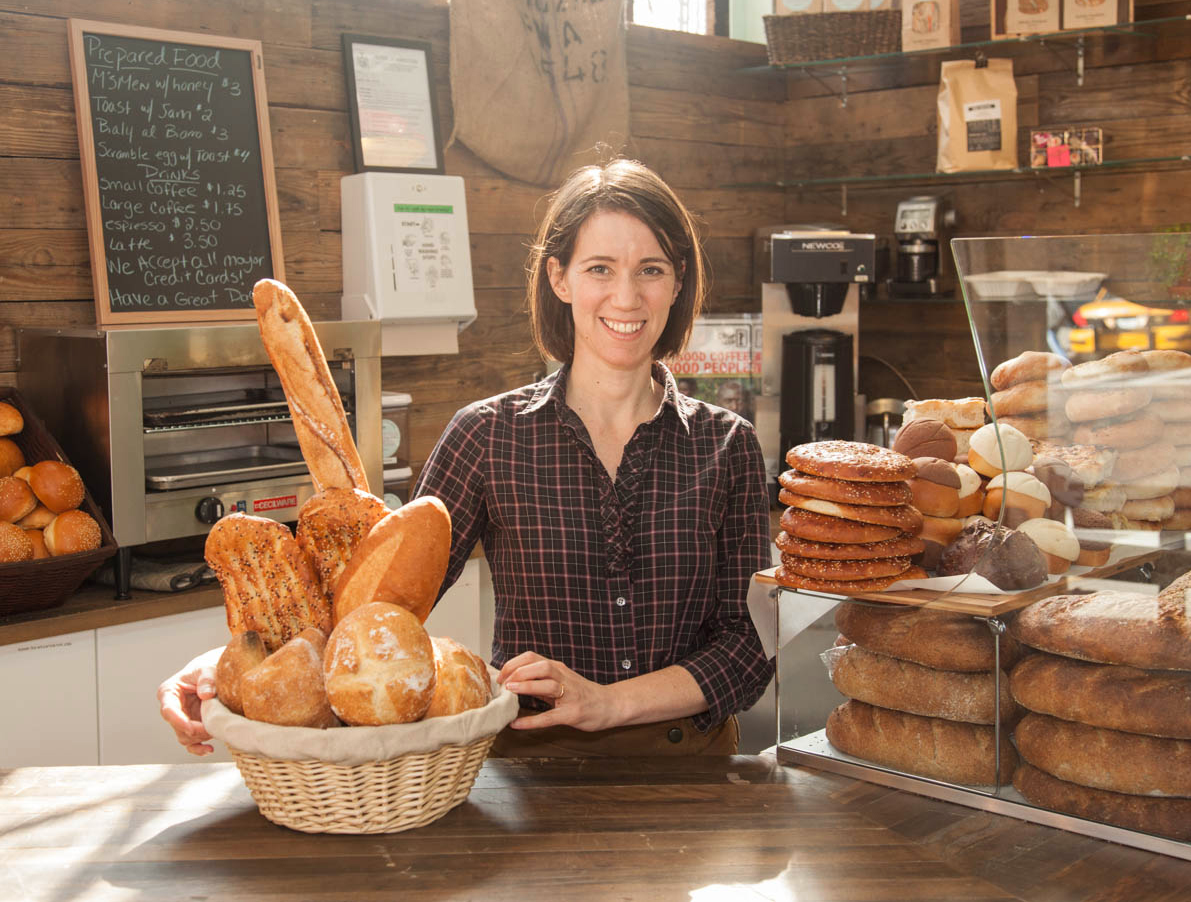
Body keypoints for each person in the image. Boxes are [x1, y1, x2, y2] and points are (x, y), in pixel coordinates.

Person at [158, 158, 772, 758]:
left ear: (678, 280)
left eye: (651, 269)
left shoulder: (727, 445)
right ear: (559, 279)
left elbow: (747, 648)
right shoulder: (487, 435)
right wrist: (221, 664)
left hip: (692, 773)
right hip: (534, 773)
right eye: (600, 268)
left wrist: (610, 702)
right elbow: (371, 611)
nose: (626, 296)